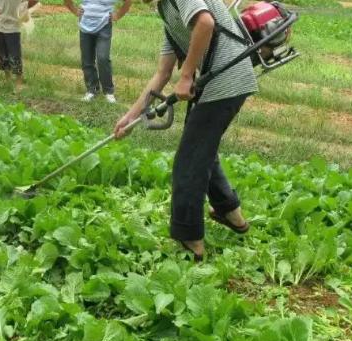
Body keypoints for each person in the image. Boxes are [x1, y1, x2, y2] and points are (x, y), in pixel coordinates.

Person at [114, 0, 258, 261]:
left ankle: (190, 237)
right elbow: (162, 72)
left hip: (227, 80)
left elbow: (205, 22)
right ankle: (231, 214)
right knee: (201, 150)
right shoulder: (165, 10)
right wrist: (130, 116)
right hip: (217, 81)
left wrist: (187, 75)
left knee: (189, 161)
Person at [64, 0, 132, 104]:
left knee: (103, 58)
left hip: (104, 25)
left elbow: (128, 1)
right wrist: (74, 10)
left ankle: (108, 92)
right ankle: (92, 90)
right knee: (87, 60)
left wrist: (117, 15)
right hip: (85, 25)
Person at [0, 0, 38, 92]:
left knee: (15, 56)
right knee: (2, 55)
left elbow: (35, 1)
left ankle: (18, 83)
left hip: (13, 27)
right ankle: (7, 81)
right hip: (0, 24)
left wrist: (26, 9)